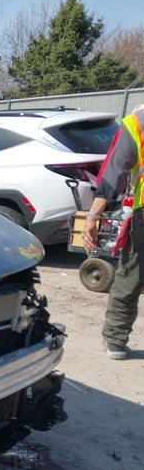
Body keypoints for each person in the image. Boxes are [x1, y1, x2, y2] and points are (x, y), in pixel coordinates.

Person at [82, 104, 144, 360]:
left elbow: (115, 170)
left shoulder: (138, 121)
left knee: (131, 275)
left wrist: (93, 215)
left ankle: (115, 341)